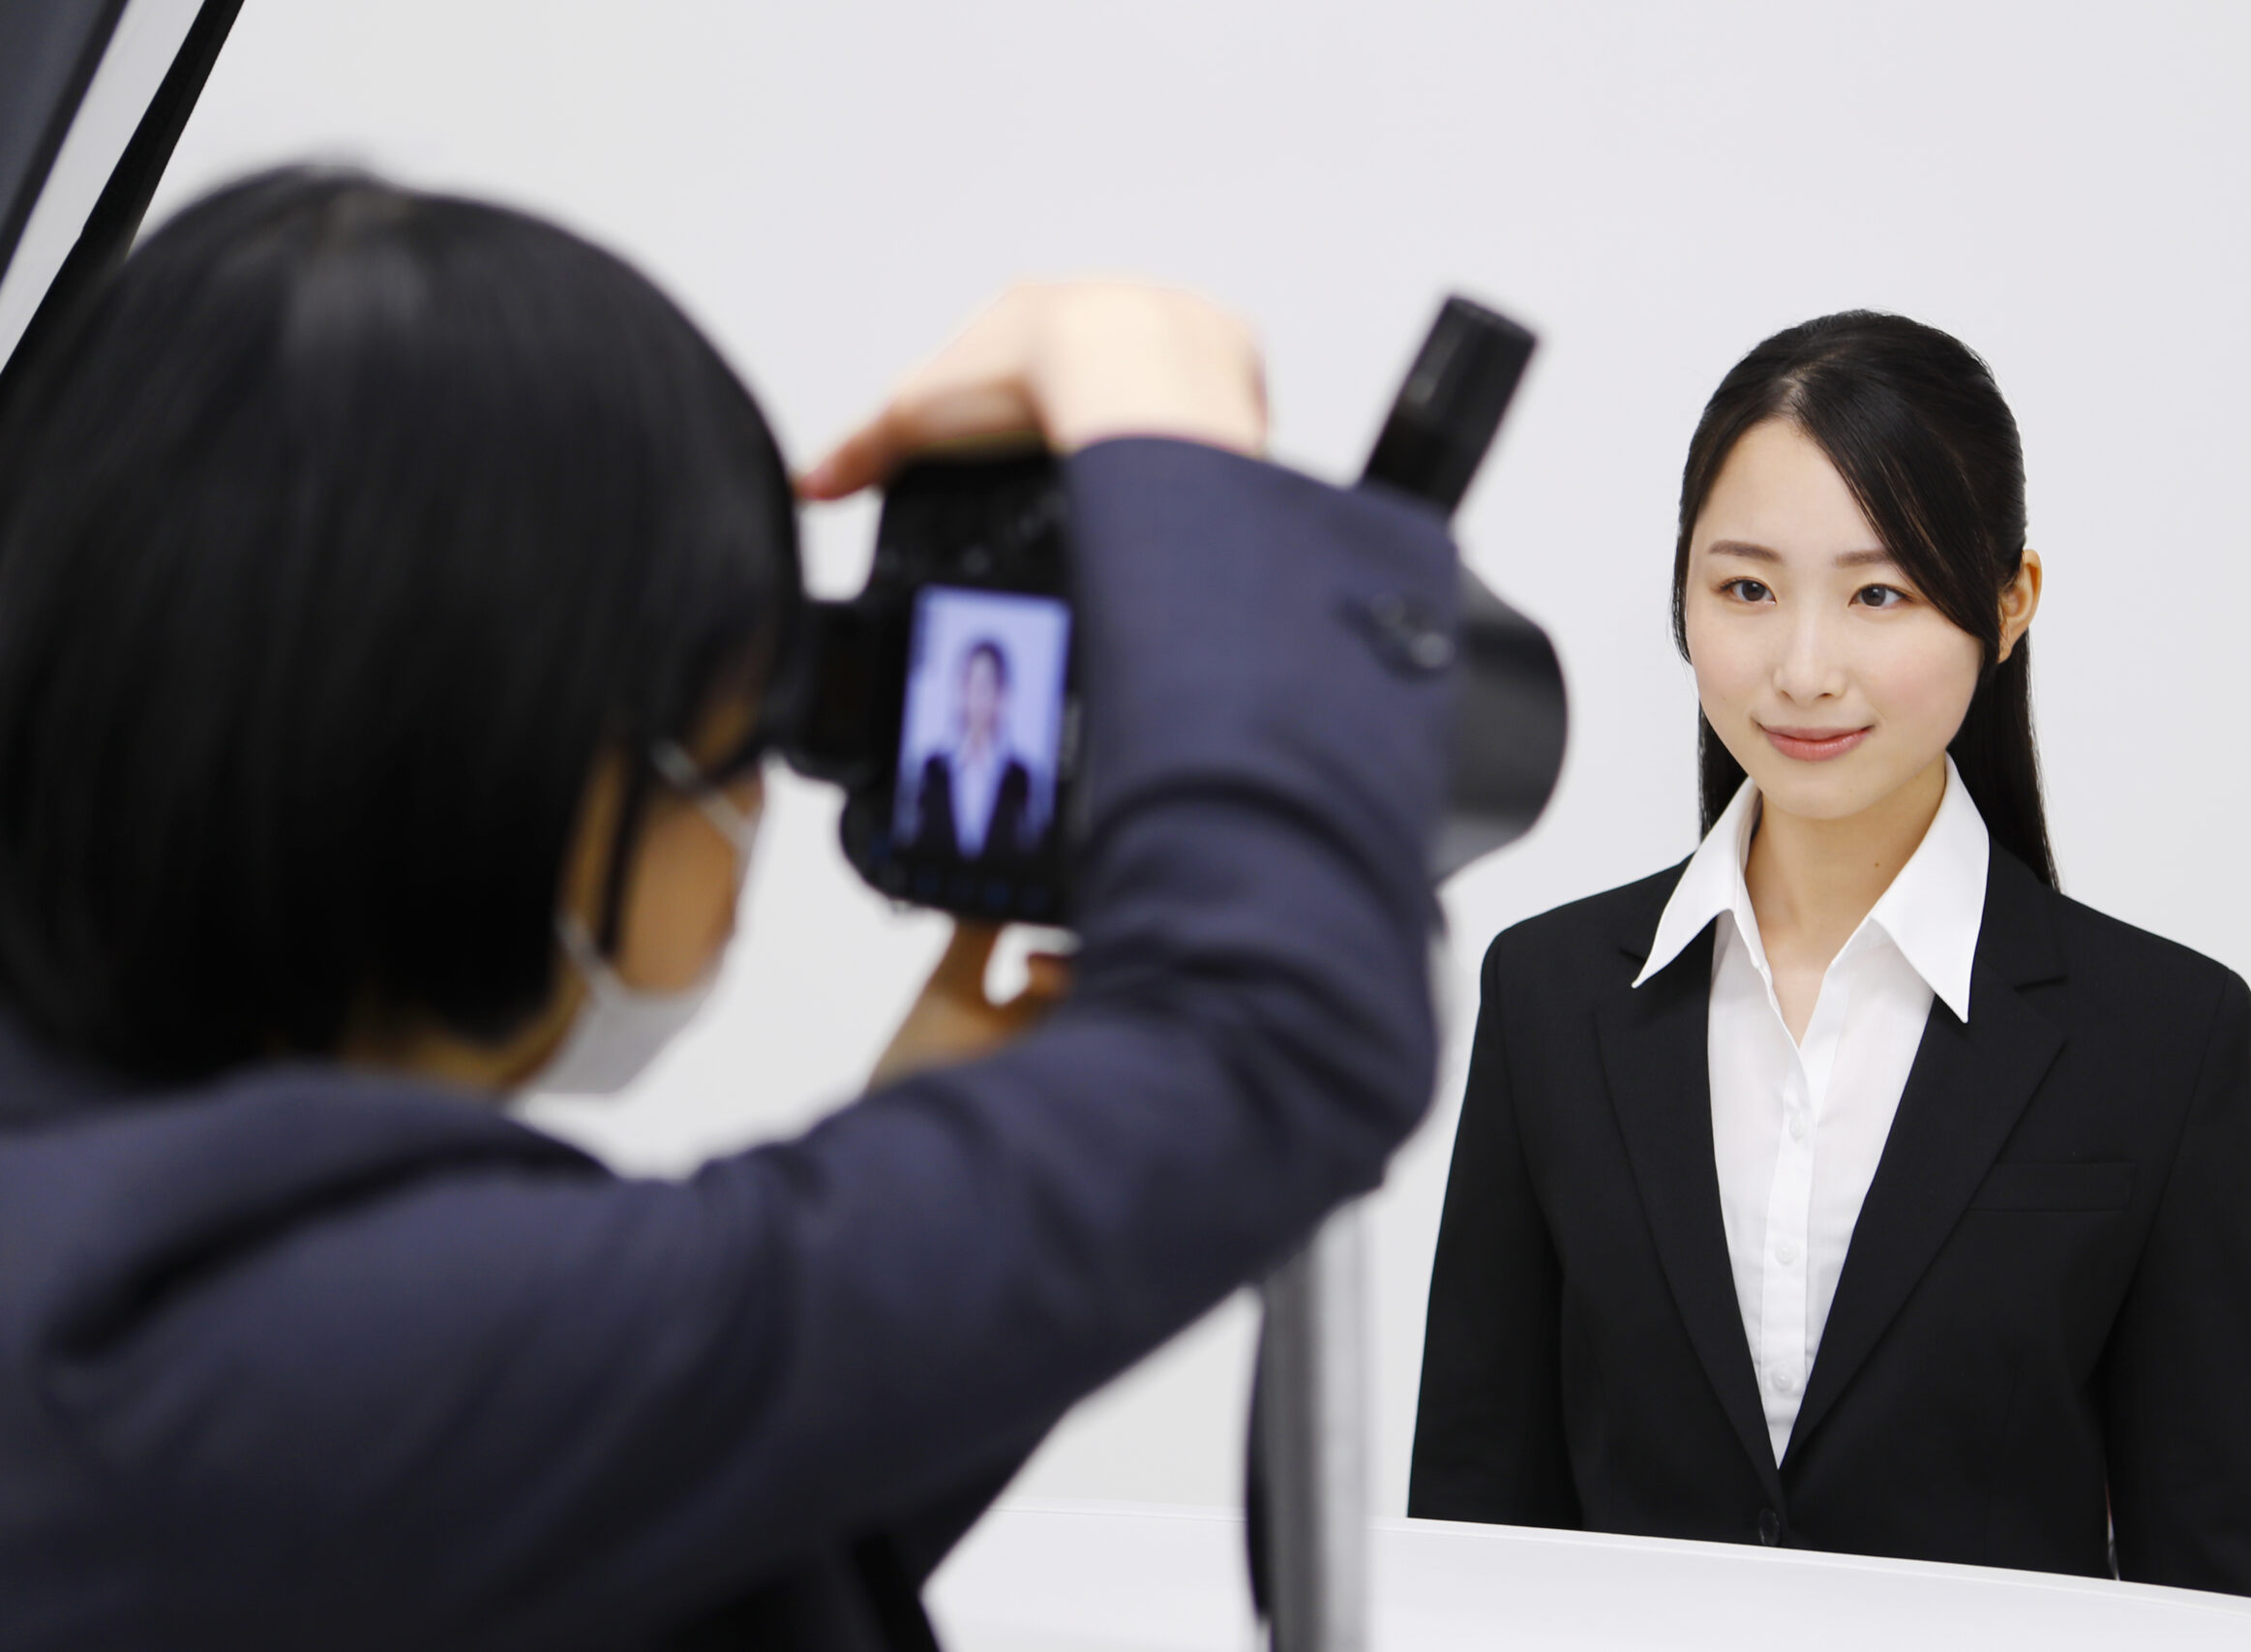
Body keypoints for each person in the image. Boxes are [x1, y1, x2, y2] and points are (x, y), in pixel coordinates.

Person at [0, 169, 1459, 1649]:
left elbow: (614, 1549)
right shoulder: (230, 1339)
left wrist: (933, 1158)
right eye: (745, 726)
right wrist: (1164, 408)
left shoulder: (97, 1242)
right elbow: (1273, 1041)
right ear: (528, 760)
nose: (764, 801)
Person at [1407, 312, 2251, 1600]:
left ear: (2010, 600)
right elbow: (1472, 1522)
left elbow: (2214, 1578)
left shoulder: (2165, 1034)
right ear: (1682, 594)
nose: (1804, 667)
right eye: (1746, 588)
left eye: (1880, 592)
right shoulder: (1549, 997)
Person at [908, 639, 1044, 862]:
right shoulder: (933, 767)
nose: (977, 696)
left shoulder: (1020, 776)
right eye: (971, 683)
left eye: (986, 685)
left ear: (1000, 695)